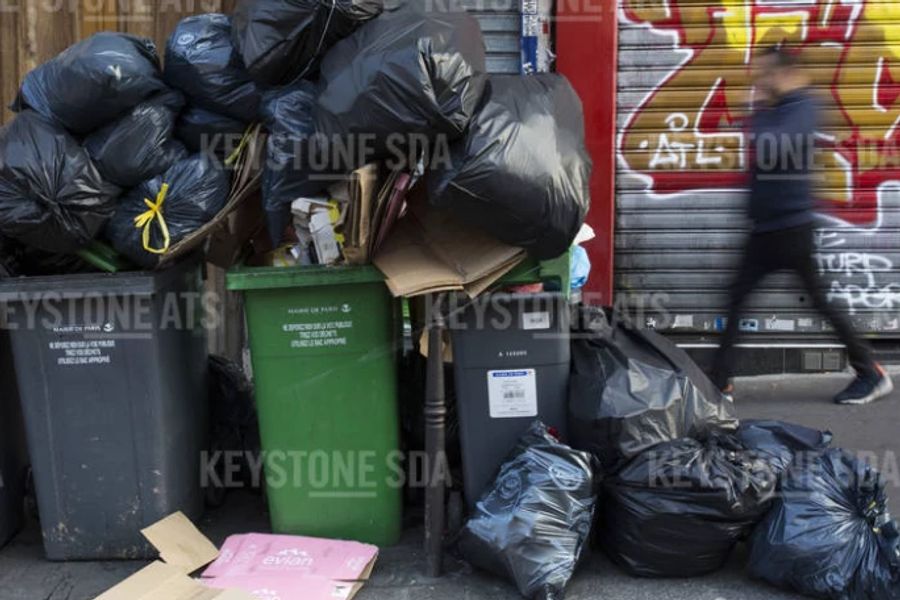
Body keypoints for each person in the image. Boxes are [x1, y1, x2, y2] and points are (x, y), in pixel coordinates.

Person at [710, 45, 893, 405]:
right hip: (765, 230)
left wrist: (758, 110)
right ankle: (720, 383)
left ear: (786, 72)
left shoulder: (803, 108)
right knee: (736, 300)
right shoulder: (778, 110)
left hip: (790, 229)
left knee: (819, 302)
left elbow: (772, 146)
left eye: (765, 72)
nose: (760, 80)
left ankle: (870, 372)